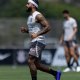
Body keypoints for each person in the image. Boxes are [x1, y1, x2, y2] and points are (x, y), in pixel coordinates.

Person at [21, 0, 61, 80]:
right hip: (35, 41)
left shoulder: (38, 15)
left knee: (30, 60)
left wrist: (36, 34)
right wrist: (27, 31)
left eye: (28, 3)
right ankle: (56, 73)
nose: (26, 5)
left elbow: (48, 27)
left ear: (33, 5)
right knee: (37, 65)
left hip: (38, 41)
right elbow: (34, 31)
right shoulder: (30, 17)